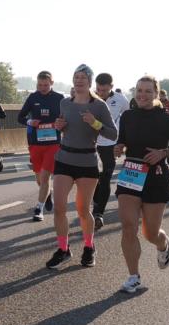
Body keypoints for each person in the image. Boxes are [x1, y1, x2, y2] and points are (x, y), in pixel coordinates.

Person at [113, 75, 169, 294]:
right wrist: (119, 148)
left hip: (156, 177)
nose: (142, 95)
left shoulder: (164, 118)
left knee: (150, 233)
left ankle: (163, 244)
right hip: (131, 173)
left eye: (148, 91)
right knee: (128, 226)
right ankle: (133, 277)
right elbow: (124, 140)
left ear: (156, 94)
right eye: (139, 90)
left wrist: (163, 153)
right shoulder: (128, 116)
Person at [46, 65, 117, 269]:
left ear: (89, 81)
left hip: (87, 162)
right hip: (65, 158)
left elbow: (112, 134)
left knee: (83, 210)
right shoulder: (65, 103)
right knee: (59, 207)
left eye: (83, 77)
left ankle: (89, 247)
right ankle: (63, 249)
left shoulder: (99, 105)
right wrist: (59, 126)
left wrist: (95, 123)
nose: (79, 81)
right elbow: (65, 127)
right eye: (76, 77)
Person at [17, 71, 64, 222]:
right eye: (39, 85)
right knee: (39, 178)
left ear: (52, 83)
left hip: (53, 144)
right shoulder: (33, 97)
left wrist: (61, 124)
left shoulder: (59, 98)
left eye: (45, 85)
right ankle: (47, 194)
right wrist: (30, 122)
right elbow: (20, 117)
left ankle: (39, 209)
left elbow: (67, 119)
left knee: (45, 177)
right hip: (35, 143)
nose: (42, 88)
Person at [92, 72, 129, 231]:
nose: (101, 93)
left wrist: (123, 143)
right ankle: (95, 202)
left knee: (106, 177)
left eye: (104, 90)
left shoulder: (121, 99)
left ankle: (98, 213)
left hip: (110, 144)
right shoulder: (90, 97)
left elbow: (128, 120)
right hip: (92, 144)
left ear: (111, 87)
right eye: (99, 89)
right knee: (94, 178)